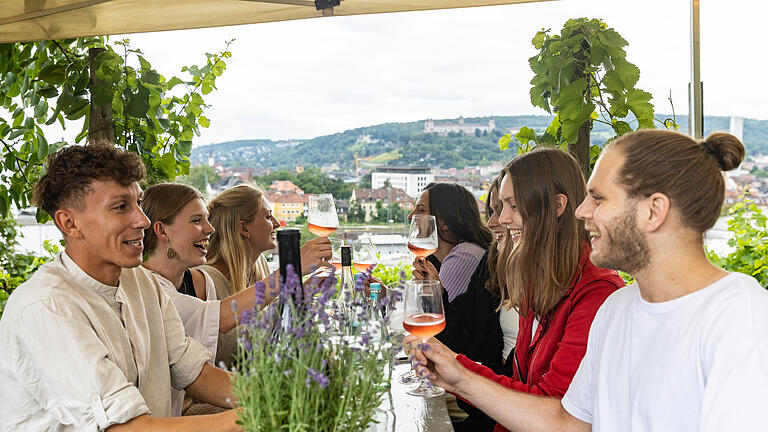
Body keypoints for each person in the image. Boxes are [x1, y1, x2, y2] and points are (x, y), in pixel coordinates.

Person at [412, 130, 768, 431]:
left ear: (653, 210)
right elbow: (568, 422)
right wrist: (458, 376)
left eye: (597, 198)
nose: (581, 211)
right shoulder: (618, 307)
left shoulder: (738, 314)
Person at [0, 144, 240, 431]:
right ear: (69, 223)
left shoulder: (141, 282)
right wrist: (257, 417)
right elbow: (125, 428)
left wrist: (275, 396)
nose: (143, 220)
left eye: (138, 203)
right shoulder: (45, 306)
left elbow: (193, 372)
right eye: (120, 207)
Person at [409, 148, 624, 432]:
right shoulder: (541, 281)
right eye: (500, 207)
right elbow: (523, 388)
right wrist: (454, 372)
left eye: (512, 206)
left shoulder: (596, 293)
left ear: (558, 206)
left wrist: (459, 373)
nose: (501, 219)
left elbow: (556, 412)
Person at [196, 184, 331, 367]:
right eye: (268, 216)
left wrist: (302, 293)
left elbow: (270, 326)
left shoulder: (259, 266)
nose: (276, 223)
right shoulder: (205, 279)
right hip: (230, 391)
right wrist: (292, 269)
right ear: (244, 228)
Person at [410, 182, 503, 367]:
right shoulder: (444, 258)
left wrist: (433, 293)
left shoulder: (465, 255)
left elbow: (440, 328)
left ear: (443, 221)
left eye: (420, 210)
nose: (411, 216)